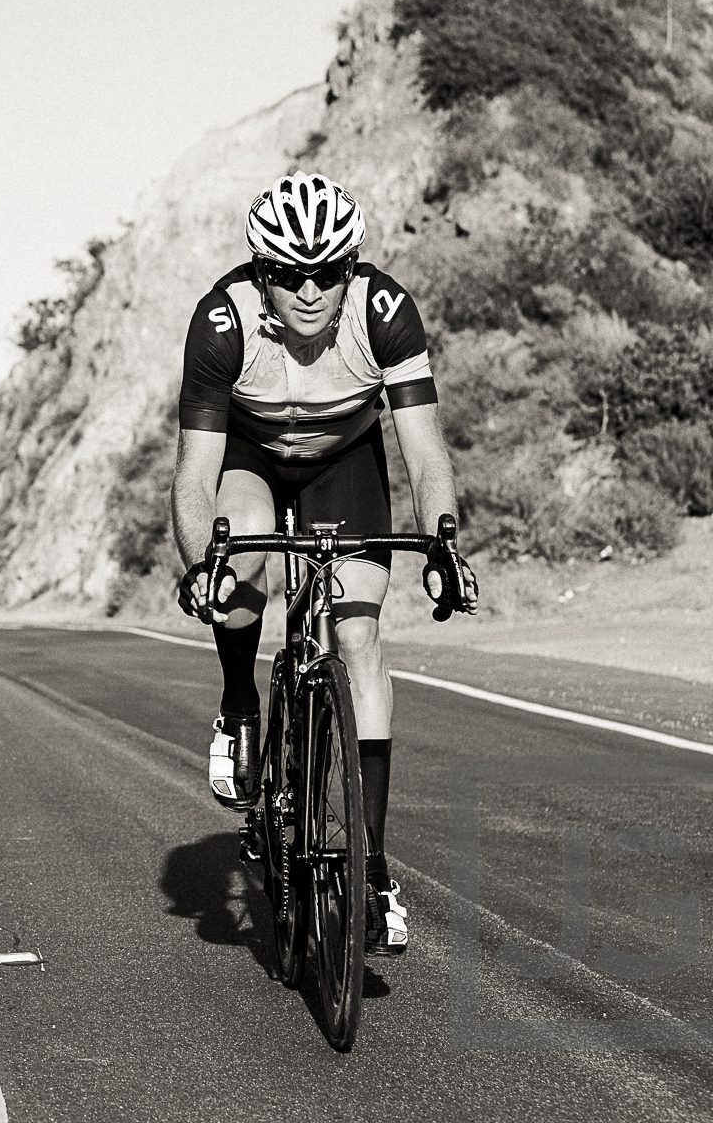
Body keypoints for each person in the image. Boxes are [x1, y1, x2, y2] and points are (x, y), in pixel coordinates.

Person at [171, 171, 477, 956]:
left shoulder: (384, 316)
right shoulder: (222, 323)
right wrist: (201, 564)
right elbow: (194, 479)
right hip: (251, 459)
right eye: (289, 275)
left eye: (328, 273)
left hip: (346, 462)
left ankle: (372, 869)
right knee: (239, 560)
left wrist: (444, 539)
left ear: (352, 269)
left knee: (361, 638)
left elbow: (425, 454)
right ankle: (241, 701)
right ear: (261, 274)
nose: (310, 292)